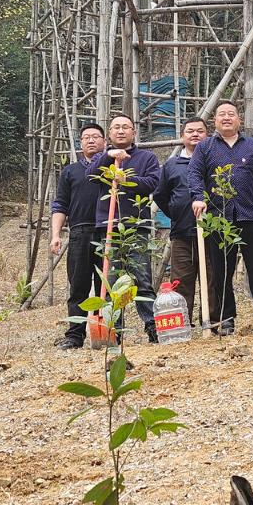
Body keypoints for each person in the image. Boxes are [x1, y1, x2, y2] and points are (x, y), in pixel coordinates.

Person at [188, 100, 253, 335]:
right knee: (221, 271)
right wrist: (198, 197)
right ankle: (226, 318)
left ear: (239, 119)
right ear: (214, 120)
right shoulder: (204, 147)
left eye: (231, 114)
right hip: (218, 218)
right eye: (222, 114)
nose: (226, 118)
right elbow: (195, 174)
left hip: (251, 216)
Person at [87, 114, 162, 341]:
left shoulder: (147, 158)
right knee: (111, 281)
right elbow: (90, 176)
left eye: (125, 127)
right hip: (109, 227)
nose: (121, 131)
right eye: (116, 127)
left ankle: (152, 326)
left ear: (133, 132)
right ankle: (114, 331)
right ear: (109, 134)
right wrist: (108, 157)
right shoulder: (101, 158)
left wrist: (125, 180)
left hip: (136, 226)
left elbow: (152, 183)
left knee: (142, 278)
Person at [51, 122, 106, 349]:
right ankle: (74, 335)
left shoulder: (112, 167)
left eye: (96, 136)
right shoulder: (70, 171)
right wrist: (56, 235)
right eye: (86, 137)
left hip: (107, 232)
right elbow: (60, 204)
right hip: (79, 233)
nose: (91, 140)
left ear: (104, 141)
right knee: (78, 286)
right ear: (80, 143)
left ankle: (106, 333)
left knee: (106, 285)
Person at [154, 117, 212, 324]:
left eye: (200, 131)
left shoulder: (214, 162)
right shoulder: (172, 165)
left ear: (207, 135)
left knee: (212, 279)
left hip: (212, 231)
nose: (195, 134)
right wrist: (176, 212)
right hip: (182, 232)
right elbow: (160, 195)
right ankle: (183, 322)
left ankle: (212, 321)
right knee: (181, 280)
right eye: (190, 131)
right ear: (182, 135)